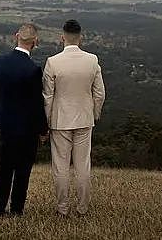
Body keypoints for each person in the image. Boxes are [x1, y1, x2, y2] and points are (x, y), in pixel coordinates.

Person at [43, 19, 106, 216]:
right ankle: (82, 207)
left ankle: (62, 208)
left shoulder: (52, 62)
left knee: (60, 166)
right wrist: (94, 114)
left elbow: (47, 97)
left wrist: (46, 123)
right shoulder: (92, 60)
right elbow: (100, 94)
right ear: (81, 38)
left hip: (60, 121)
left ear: (62, 37)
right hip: (84, 119)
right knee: (83, 165)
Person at [0, 23, 49, 217]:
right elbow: (36, 104)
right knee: (23, 171)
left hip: (6, 123)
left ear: (16, 36)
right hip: (26, 129)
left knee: (5, 168)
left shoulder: (0, 62)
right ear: (35, 42)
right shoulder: (33, 69)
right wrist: (43, 130)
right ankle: (17, 209)